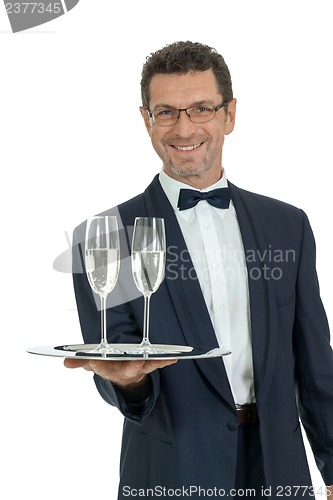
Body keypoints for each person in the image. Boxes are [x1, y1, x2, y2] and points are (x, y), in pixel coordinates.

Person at [65, 41, 333, 499]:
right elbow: (118, 363)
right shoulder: (106, 236)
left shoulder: (288, 225)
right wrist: (130, 385)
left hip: (279, 467)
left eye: (201, 108)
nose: (183, 127)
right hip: (170, 468)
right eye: (166, 111)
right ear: (147, 120)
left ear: (229, 115)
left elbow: (315, 362)